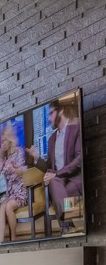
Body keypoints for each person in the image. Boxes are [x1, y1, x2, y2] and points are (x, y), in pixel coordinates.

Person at [27, 99, 83, 233]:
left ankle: (66, 226)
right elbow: (48, 166)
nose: (49, 118)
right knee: (53, 181)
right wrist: (36, 157)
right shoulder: (52, 139)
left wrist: (56, 174)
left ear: (61, 111)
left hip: (73, 179)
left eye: (51, 113)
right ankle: (68, 227)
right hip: (58, 182)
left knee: (56, 185)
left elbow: (79, 159)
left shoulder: (75, 130)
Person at [0, 124, 28, 242]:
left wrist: (13, 169)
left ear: (9, 140)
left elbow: (23, 171)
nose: (3, 143)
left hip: (20, 191)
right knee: (2, 208)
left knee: (8, 206)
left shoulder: (19, 151)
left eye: (4, 140)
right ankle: (1, 241)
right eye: (1, 141)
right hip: (10, 194)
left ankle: (14, 238)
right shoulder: (2, 159)